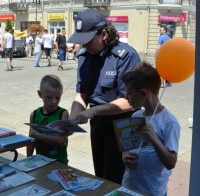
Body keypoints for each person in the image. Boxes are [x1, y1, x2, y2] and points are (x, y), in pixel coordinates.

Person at [68, 8, 141, 184]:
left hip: (123, 126)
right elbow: (82, 94)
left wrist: (94, 111)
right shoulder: (84, 57)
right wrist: (71, 119)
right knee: (100, 175)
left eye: (88, 41)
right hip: (98, 124)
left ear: (104, 33)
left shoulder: (126, 56)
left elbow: (132, 101)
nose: (84, 46)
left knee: (116, 180)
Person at [121, 62, 180, 196]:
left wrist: (154, 140)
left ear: (143, 93)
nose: (125, 97)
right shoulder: (136, 115)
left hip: (152, 192)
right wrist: (124, 156)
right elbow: (127, 149)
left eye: (129, 93)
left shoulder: (169, 122)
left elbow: (171, 162)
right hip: (129, 187)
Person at [27, 75, 69, 164]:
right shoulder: (34, 114)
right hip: (39, 162)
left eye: (57, 97)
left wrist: (39, 135)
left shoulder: (63, 114)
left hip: (59, 163)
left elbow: (60, 140)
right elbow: (31, 141)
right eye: (49, 97)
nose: (54, 101)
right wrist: (28, 159)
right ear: (40, 94)